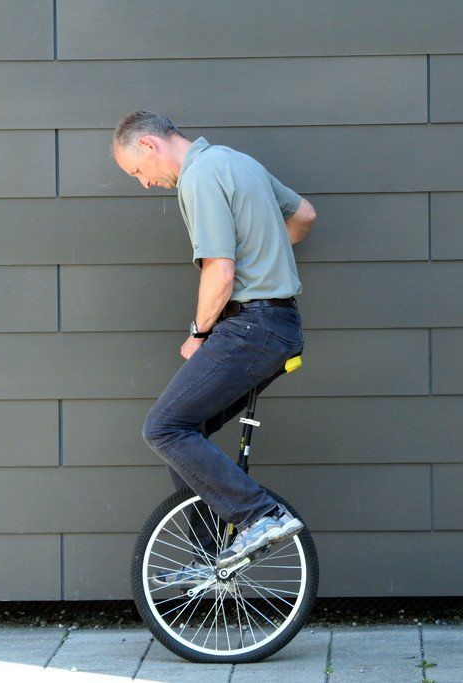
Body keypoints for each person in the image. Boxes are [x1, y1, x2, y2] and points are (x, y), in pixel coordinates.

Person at [110, 111, 317, 583]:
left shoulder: (199, 176)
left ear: (149, 145)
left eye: (138, 171)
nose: (144, 183)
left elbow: (219, 271)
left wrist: (198, 334)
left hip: (252, 326)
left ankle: (260, 516)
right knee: (186, 429)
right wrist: (266, 255)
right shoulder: (237, 161)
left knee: (163, 428)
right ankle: (210, 553)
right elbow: (304, 215)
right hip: (278, 325)